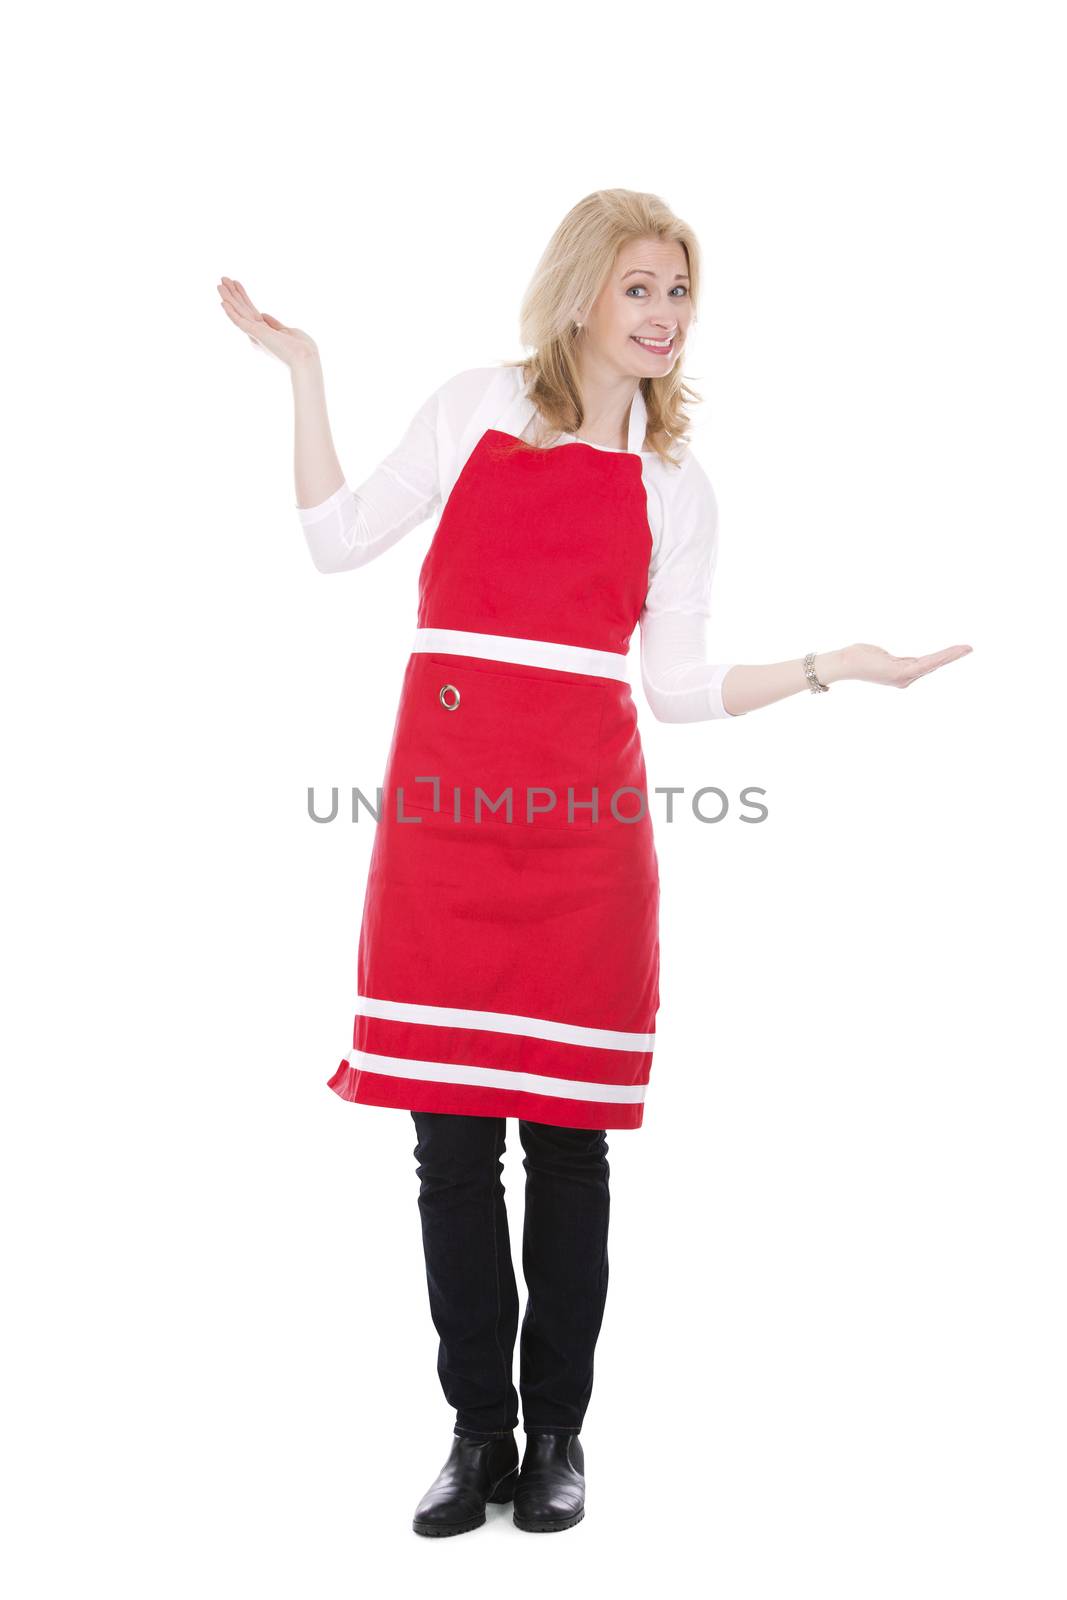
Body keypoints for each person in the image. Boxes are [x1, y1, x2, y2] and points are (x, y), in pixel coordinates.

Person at [217, 187, 971, 1538]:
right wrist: (305, 371)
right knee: (451, 1151)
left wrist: (834, 668)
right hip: (444, 830)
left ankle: (558, 1439)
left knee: (569, 1152)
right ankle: (476, 1434)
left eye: (679, 293)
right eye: (640, 288)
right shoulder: (472, 407)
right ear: (579, 296)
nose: (665, 316)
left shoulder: (679, 485)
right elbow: (335, 545)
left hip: (584, 848)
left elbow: (673, 692)